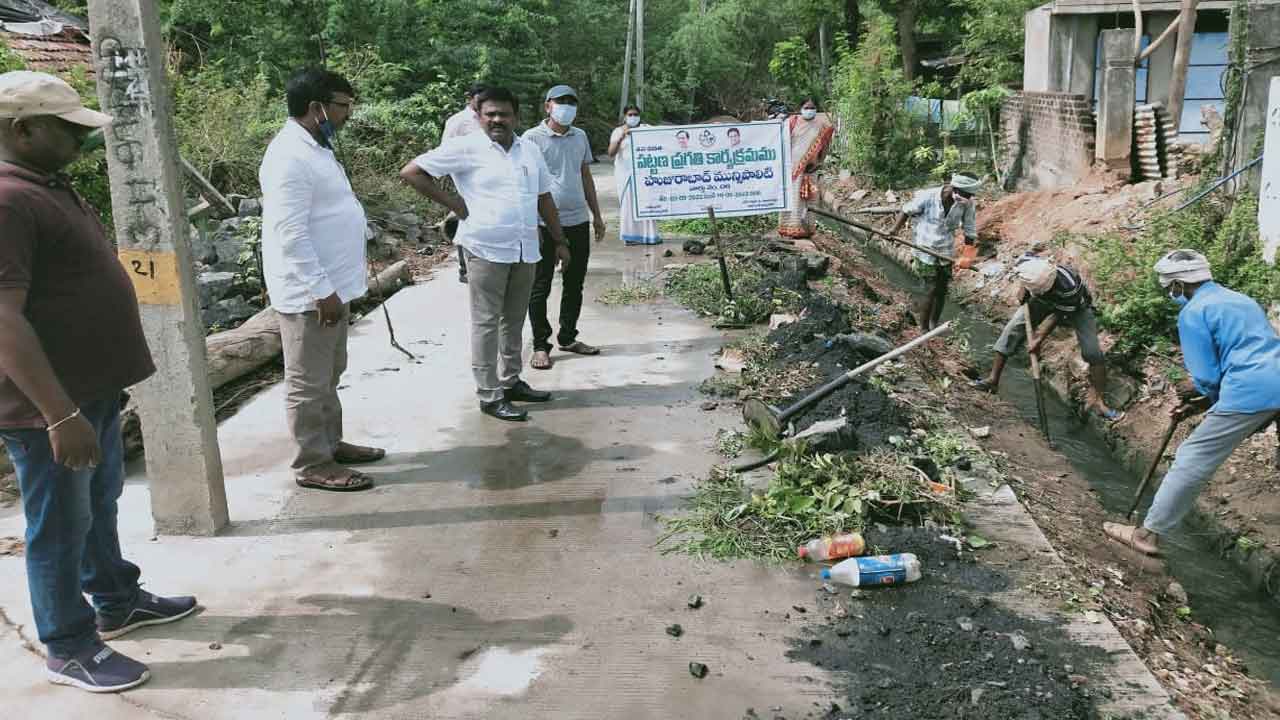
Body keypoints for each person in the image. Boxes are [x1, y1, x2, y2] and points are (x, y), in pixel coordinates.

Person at [0, 70, 197, 692]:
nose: (80, 140)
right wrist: (58, 414)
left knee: (99, 502)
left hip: (90, 391)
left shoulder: (42, 185)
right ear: (22, 130)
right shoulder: (6, 200)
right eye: (67, 129)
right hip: (47, 407)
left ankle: (115, 596)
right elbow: (2, 314)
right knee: (59, 524)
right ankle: (68, 644)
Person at [401, 86, 569, 421]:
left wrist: (560, 240)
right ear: (478, 116)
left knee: (514, 319)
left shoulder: (529, 150)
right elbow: (412, 172)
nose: (496, 120)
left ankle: (510, 381)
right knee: (486, 322)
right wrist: (456, 206)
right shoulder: (465, 148)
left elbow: (544, 198)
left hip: (525, 247)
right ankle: (489, 395)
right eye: (489, 114)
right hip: (484, 248)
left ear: (515, 117)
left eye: (503, 114)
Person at [1104, 250, 1280, 556]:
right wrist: (1201, 406)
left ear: (1177, 285)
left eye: (1168, 288)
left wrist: (1201, 398)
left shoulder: (1193, 312)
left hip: (1252, 388)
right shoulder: (1240, 299)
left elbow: (1207, 377)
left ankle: (1147, 534)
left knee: (1193, 456)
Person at [260, 68, 385, 492]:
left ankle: (330, 442)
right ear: (317, 109)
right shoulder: (288, 158)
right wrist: (321, 289)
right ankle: (312, 462)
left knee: (330, 371)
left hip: (334, 286)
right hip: (311, 293)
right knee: (307, 381)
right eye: (343, 106)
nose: (349, 114)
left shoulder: (317, 148)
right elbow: (289, 233)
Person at [970, 254, 1121, 420]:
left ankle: (1097, 402)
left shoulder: (1069, 287)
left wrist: (1039, 338)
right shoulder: (1030, 264)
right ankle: (993, 380)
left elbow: (1058, 315)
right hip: (1041, 299)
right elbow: (1021, 271)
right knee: (1012, 330)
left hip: (1077, 307)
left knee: (1092, 352)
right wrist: (1024, 289)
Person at [522, 85, 607, 370]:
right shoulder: (531, 139)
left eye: (572, 102)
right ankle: (540, 344)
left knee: (575, 283)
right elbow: (526, 184)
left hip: (578, 221)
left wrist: (596, 215)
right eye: (561, 102)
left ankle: (568, 336)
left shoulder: (579, 136)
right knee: (540, 284)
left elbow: (585, 176)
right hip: (543, 224)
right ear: (547, 106)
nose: (567, 107)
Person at [889, 174, 980, 330]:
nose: (967, 198)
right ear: (955, 189)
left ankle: (934, 323)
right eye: (965, 194)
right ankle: (923, 328)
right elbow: (906, 211)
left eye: (970, 196)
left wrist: (967, 256)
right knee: (930, 288)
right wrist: (893, 231)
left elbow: (970, 231)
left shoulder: (967, 204)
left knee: (942, 289)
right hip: (924, 248)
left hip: (945, 250)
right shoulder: (929, 196)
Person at [442, 82, 488, 283]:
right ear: (469, 97)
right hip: (466, 180)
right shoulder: (458, 121)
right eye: (480, 98)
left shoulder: (487, 117)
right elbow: (445, 151)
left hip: (488, 180)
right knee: (466, 221)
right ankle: (465, 268)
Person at [777, 97, 835, 239]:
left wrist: (819, 161)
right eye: (807, 107)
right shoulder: (792, 122)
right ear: (801, 108)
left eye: (812, 107)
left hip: (811, 168)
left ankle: (807, 228)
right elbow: (782, 140)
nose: (810, 110)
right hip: (792, 167)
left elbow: (826, 145)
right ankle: (789, 228)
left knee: (810, 198)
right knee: (792, 197)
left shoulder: (822, 126)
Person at [608, 104, 661, 246]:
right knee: (628, 204)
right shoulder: (618, 131)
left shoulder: (646, 129)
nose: (633, 117)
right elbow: (611, 153)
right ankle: (630, 236)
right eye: (630, 115)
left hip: (644, 174)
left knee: (647, 203)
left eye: (635, 115)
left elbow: (665, 135)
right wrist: (622, 136)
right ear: (625, 117)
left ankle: (649, 236)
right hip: (625, 175)